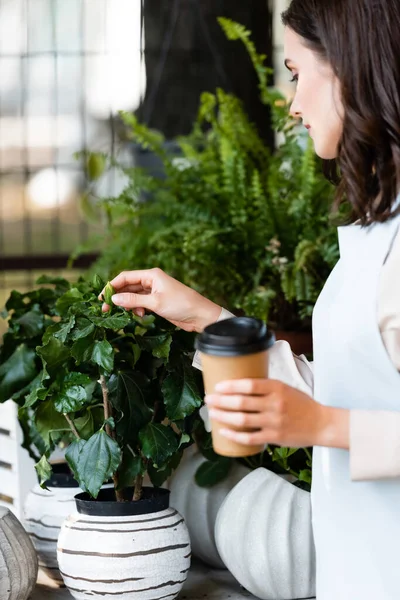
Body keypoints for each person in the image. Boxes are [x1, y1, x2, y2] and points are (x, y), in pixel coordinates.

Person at [100, 0, 400, 597]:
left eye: (295, 72)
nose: (291, 104)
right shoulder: (375, 230)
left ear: (348, 66)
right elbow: (354, 390)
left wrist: (322, 425)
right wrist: (210, 321)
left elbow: (335, 414)